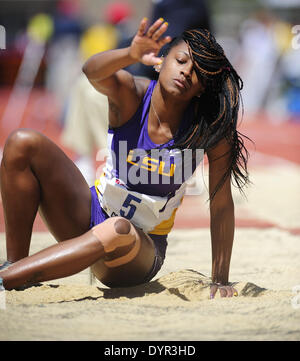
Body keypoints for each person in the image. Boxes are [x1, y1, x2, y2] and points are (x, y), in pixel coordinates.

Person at [0, 18, 250, 298]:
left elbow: (221, 205)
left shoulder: (207, 129)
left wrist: (220, 278)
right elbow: (91, 71)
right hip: (90, 214)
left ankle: (7, 277)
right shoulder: (131, 93)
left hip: (137, 251)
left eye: (197, 73)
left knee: (117, 229)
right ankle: (16, 265)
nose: (185, 72)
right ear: (161, 61)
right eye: (180, 61)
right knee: (22, 142)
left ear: (202, 87)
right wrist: (129, 54)